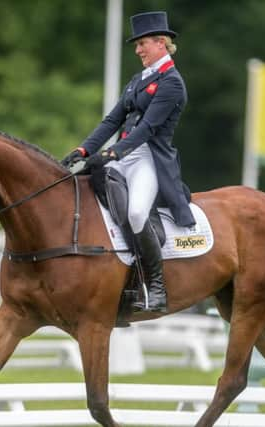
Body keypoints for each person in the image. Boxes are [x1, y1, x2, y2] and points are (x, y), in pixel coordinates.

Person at [61, 11, 195, 313]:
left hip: (148, 158)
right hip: (123, 155)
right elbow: (112, 120)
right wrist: (84, 150)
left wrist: (112, 154)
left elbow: (147, 129)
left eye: (142, 44)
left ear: (161, 43)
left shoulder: (172, 83)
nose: (137, 50)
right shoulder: (139, 80)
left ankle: (156, 286)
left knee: (136, 213)